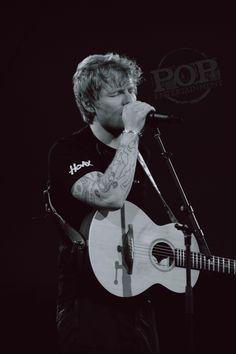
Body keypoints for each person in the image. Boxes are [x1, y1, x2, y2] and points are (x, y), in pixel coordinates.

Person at [48, 52, 161, 354]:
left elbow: (136, 226)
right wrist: (132, 132)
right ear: (89, 104)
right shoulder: (68, 150)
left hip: (136, 303)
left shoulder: (141, 154)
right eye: (116, 93)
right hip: (88, 305)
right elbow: (108, 197)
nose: (129, 100)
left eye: (130, 89)